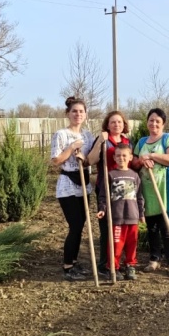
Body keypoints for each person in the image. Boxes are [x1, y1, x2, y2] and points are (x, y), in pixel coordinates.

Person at [50, 96, 97, 281]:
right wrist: (71, 148)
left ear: (85, 114)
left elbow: (90, 159)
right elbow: (55, 161)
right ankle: (67, 266)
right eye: (74, 111)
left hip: (84, 183)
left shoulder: (87, 135)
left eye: (81, 111)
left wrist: (88, 155)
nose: (78, 114)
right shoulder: (61, 134)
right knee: (75, 225)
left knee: (81, 225)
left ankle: (75, 262)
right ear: (68, 113)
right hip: (68, 184)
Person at [132, 108, 169, 278]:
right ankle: (154, 259)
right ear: (147, 122)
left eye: (157, 121)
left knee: (166, 228)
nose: (154, 124)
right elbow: (134, 162)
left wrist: (152, 155)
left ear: (163, 124)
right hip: (147, 189)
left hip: (163, 188)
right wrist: (141, 160)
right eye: (151, 120)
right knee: (151, 227)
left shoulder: (168, 139)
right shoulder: (142, 141)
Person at [96, 143, 145, 281]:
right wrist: (102, 209)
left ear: (130, 157)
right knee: (116, 245)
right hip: (116, 218)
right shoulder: (110, 175)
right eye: (118, 155)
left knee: (132, 244)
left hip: (132, 216)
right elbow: (103, 196)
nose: (121, 158)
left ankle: (130, 266)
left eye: (124, 155)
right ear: (114, 157)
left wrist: (141, 214)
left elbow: (139, 197)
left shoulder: (135, 175)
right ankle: (114, 267)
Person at [92, 110, 131, 269]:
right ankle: (104, 263)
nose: (116, 125)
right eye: (113, 122)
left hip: (124, 187)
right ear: (107, 125)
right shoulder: (103, 140)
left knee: (122, 226)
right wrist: (100, 141)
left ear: (124, 125)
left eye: (119, 122)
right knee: (106, 227)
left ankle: (120, 262)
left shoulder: (127, 141)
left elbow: (131, 163)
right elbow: (91, 160)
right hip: (106, 187)